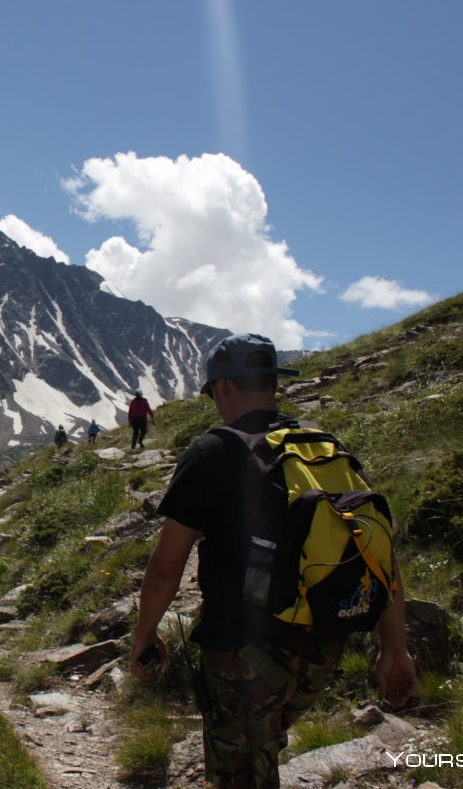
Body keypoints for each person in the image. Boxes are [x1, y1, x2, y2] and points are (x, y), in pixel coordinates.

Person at [129, 333, 417, 789]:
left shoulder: (214, 451)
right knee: (265, 748)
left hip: (245, 654)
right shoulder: (322, 446)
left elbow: (167, 567)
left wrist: (145, 635)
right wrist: (394, 647)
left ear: (223, 388)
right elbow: (380, 552)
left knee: (242, 772)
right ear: (273, 384)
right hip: (323, 642)